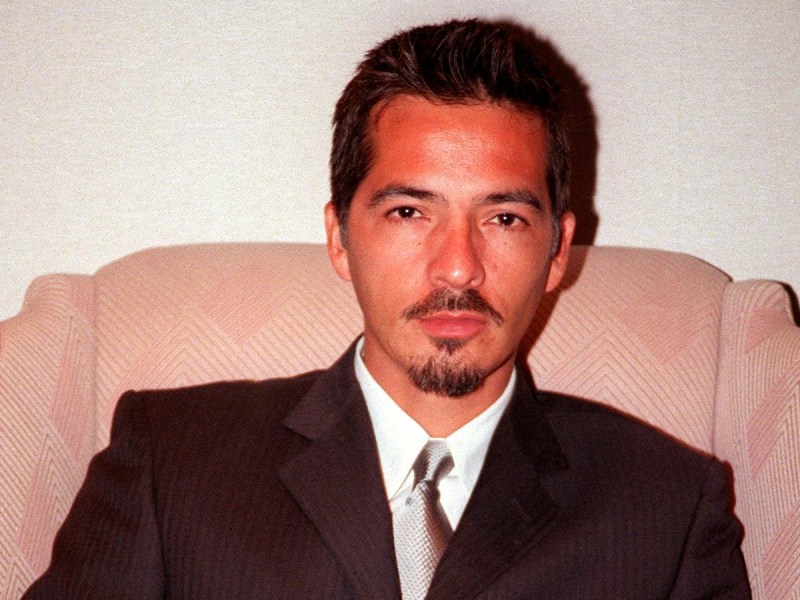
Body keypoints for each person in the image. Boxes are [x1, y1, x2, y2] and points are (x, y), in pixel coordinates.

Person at [24, 18, 750, 599]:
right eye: (409, 211)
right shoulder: (171, 461)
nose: (459, 265)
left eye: (504, 219)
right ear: (340, 238)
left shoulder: (669, 506)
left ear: (558, 252)